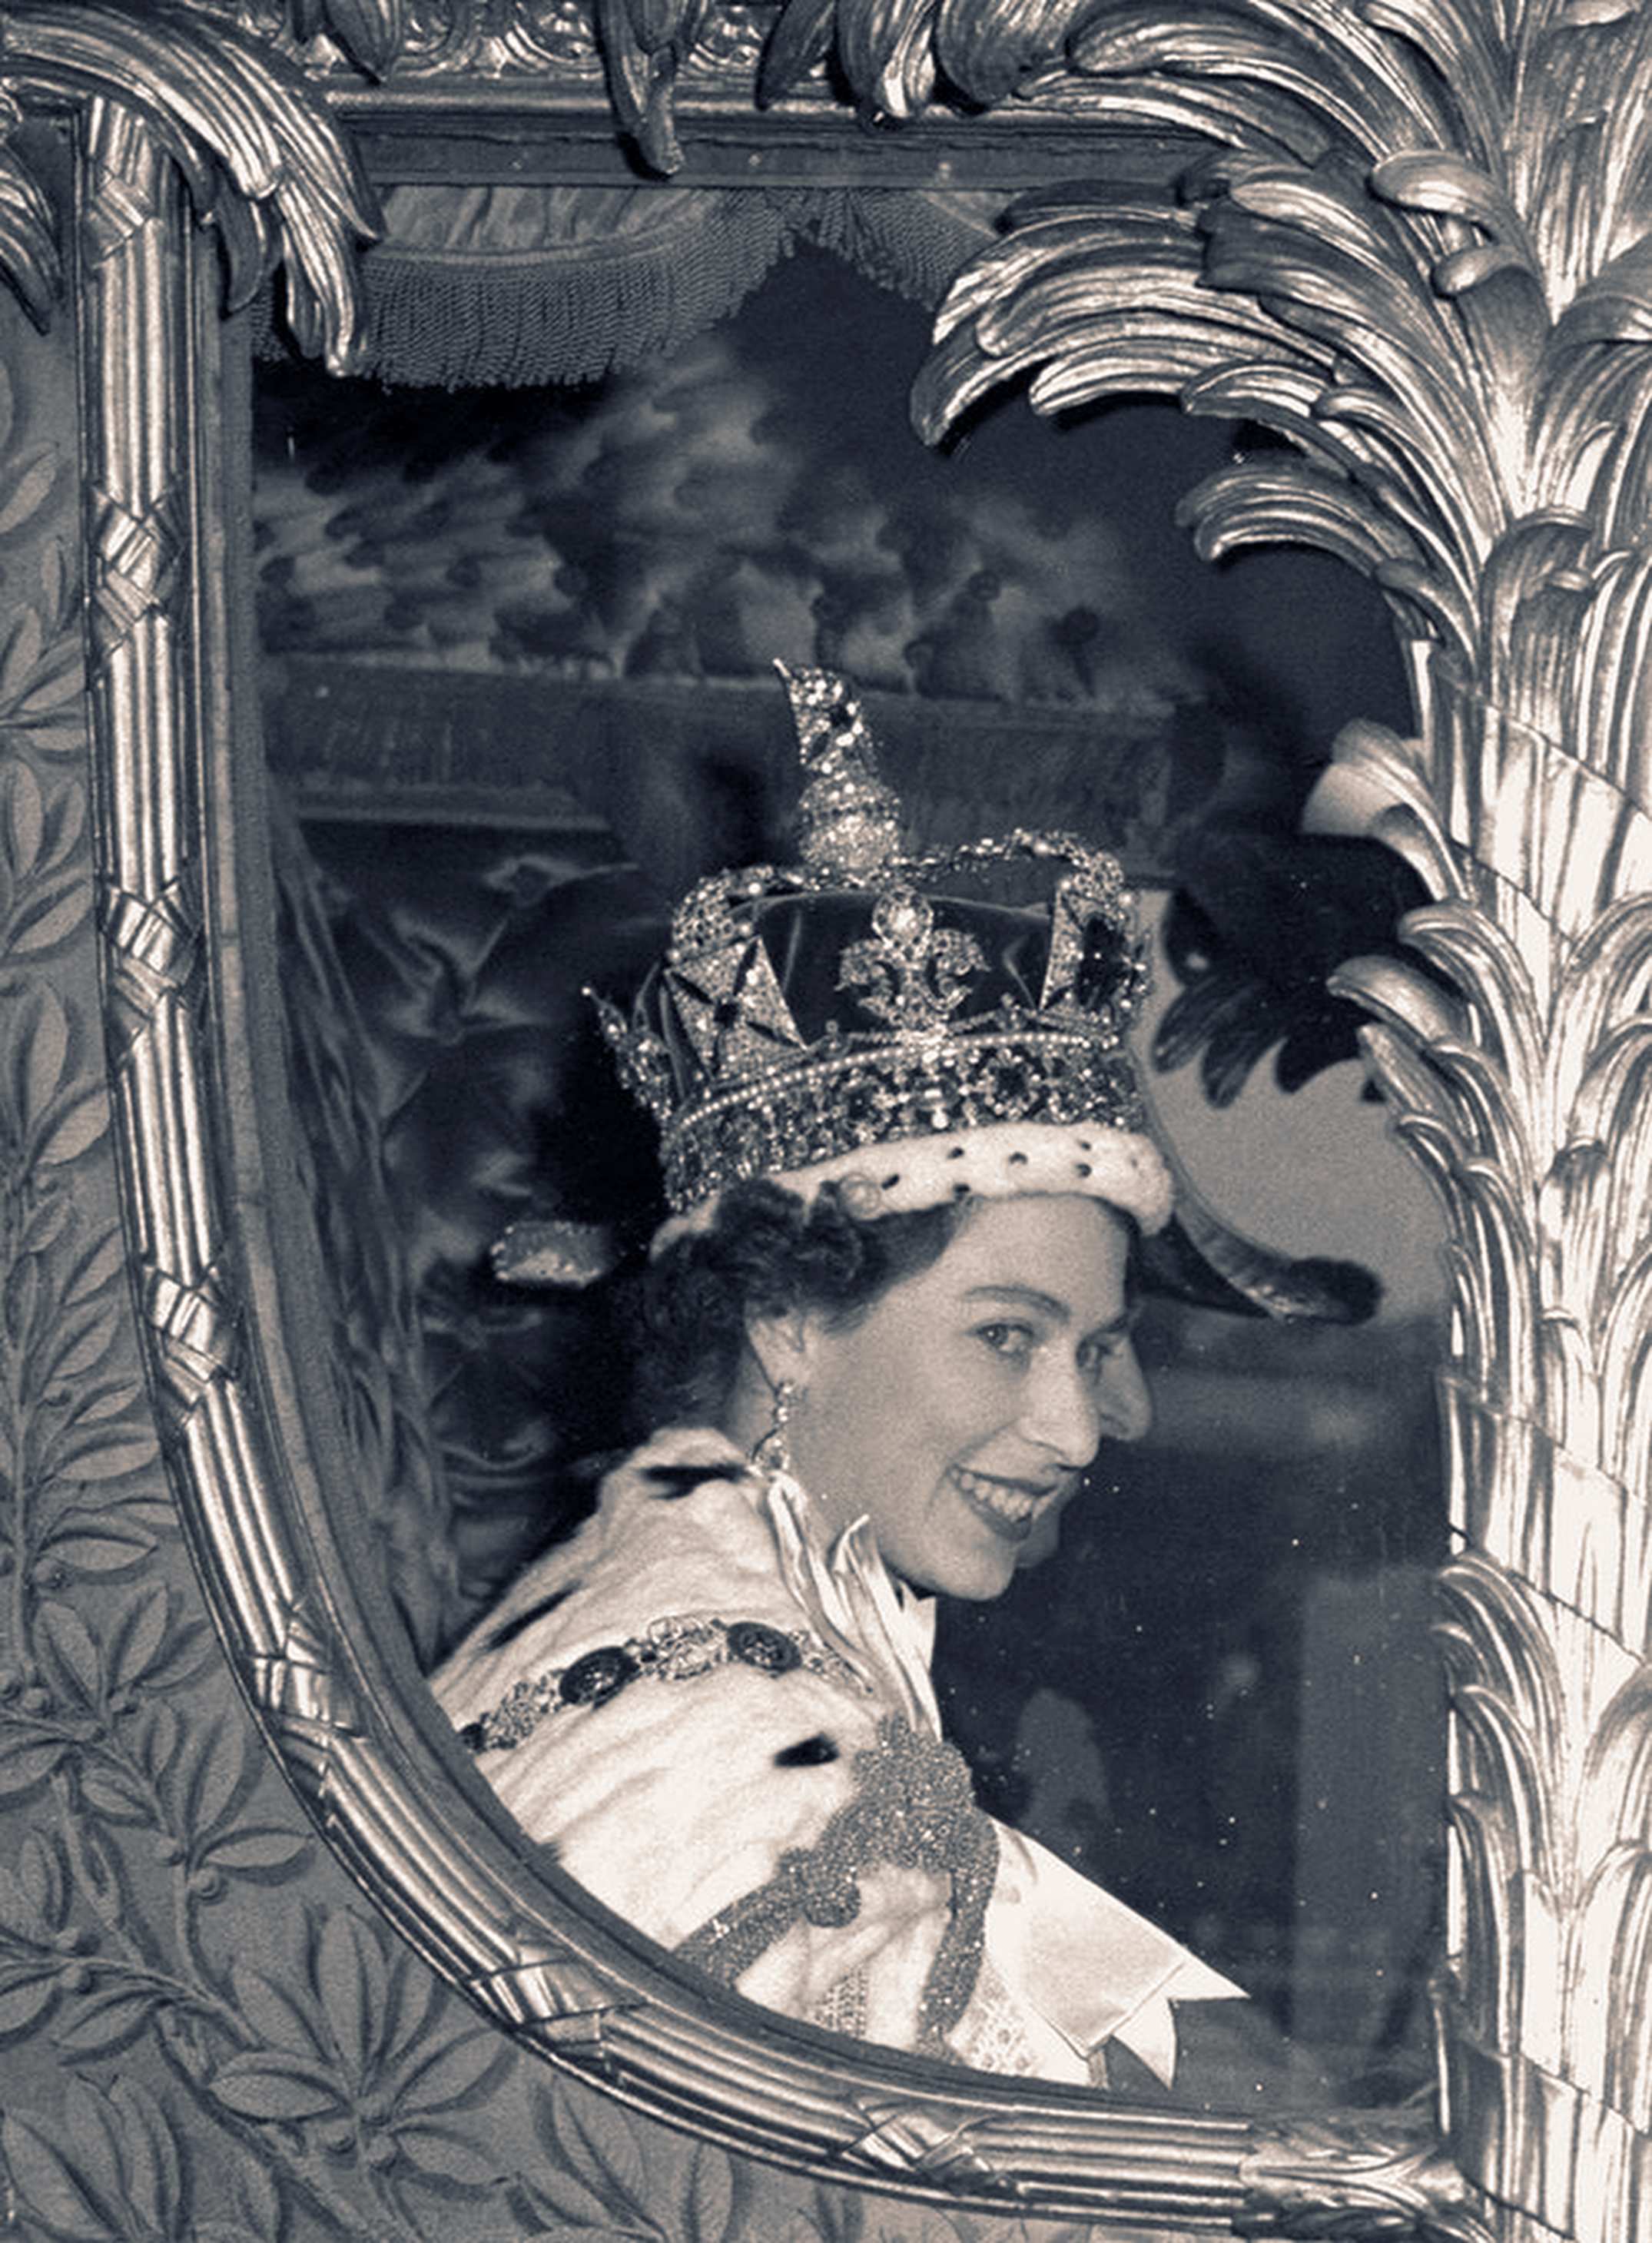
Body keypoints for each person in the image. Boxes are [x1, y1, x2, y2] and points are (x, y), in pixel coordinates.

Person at [433, 664, 1340, 2099]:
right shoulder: (745, 1749)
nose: (1070, 1429)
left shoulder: (717, 1624)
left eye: (1090, 1351)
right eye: (1004, 1333)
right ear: (789, 1316)